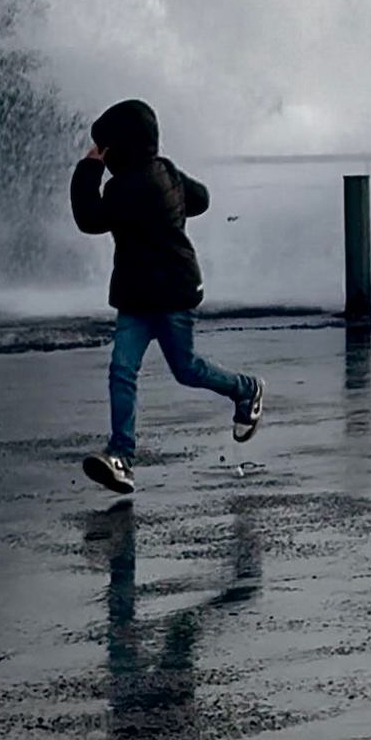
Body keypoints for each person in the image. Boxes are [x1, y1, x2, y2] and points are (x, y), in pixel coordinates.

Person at [70, 99, 263, 494]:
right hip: (148, 293)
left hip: (164, 294)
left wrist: (87, 168)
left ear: (116, 148)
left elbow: (88, 218)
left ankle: (247, 389)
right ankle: (120, 456)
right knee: (148, 369)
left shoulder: (125, 186)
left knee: (167, 370)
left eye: (104, 149)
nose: (101, 157)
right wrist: (172, 200)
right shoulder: (165, 172)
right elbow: (202, 199)